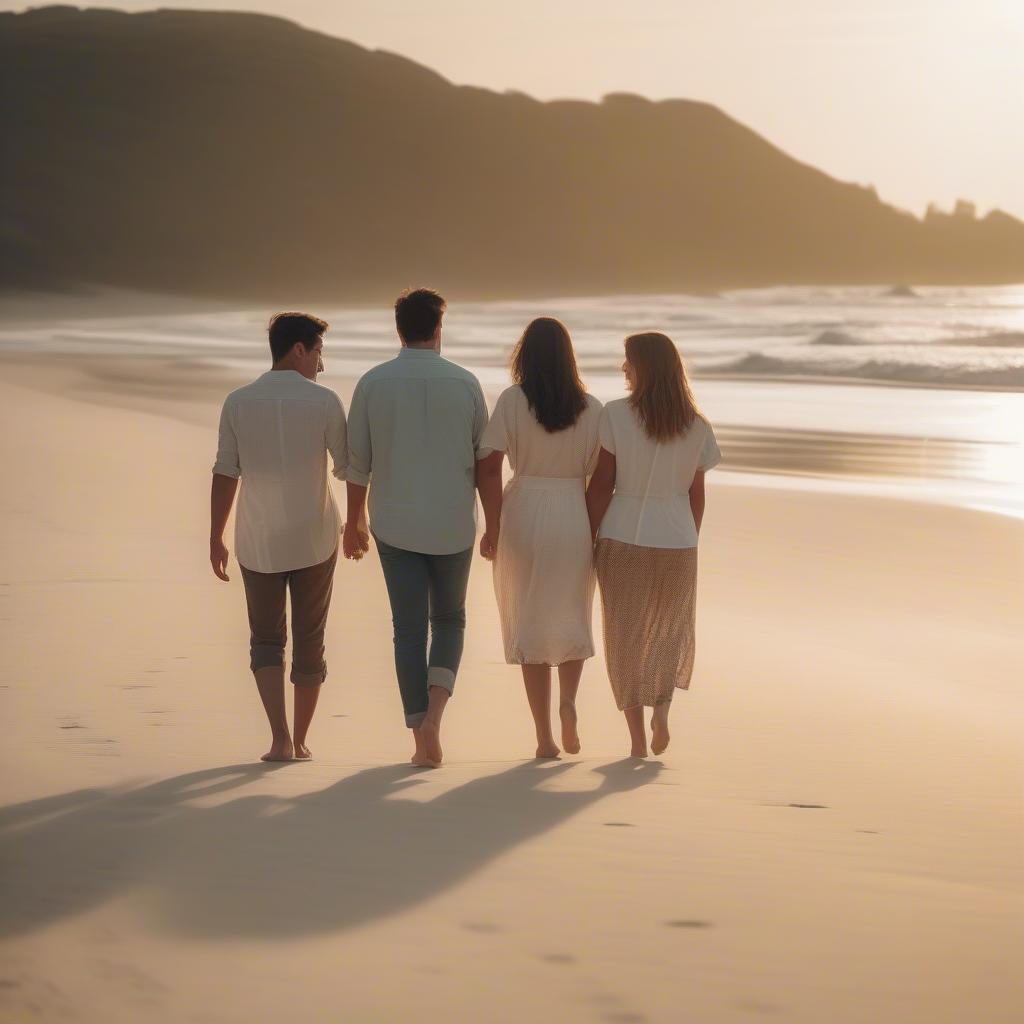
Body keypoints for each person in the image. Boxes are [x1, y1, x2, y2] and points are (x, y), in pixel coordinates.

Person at [343, 288, 488, 768]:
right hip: (452, 526)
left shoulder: (373, 383)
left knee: (407, 630)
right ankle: (435, 719)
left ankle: (417, 729)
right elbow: (484, 461)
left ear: (399, 330)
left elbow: (357, 464)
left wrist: (354, 522)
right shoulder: (465, 383)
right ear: (439, 329)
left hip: (396, 524)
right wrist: (495, 523)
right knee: (449, 621)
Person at [210, 312, 354, 762]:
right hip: (314, 535)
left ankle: (279, 739)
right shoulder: (325, 401)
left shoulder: (237, 401)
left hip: (259, 537)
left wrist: (215, 536)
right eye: (318, 353)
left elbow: (225, 471)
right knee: (311, 638)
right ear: (298, 349)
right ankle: (303, 740)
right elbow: (348, 466)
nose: (321, 365)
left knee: (266, 639)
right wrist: (358, 520)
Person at [585, 332, 721, 759]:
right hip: (678, 539)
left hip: (623, 535)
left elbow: (602, 484)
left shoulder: (615, 415)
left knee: (625, 636)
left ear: (644, 366)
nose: (623, 368)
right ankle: (661, 709)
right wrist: (688, 535)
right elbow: (697, 494)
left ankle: (637, 741)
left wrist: (588, 533)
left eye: (628, 361)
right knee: (667, 631)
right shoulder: (696, 425)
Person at [476, 317, 602, 758]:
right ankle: (569, 703)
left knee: (528, 619)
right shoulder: (591, 406)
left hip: (524, 509)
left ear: (524, 355)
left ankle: (544, 736)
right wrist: (596, 528)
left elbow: (489, 467)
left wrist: (491, 525)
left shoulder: (512, 401)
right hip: (572, 510)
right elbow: (601, 476)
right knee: (572, 612)